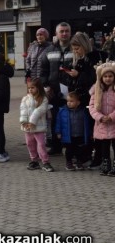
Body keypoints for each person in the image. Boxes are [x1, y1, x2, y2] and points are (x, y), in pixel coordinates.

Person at [40, 22, 74, 156]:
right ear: (56, 34)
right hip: (53, 91)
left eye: (67, 31)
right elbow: (43, 71)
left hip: (72, 92)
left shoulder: (75, 48)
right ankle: (56, 146)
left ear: (70, 32)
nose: (64, 33)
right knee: (54, 119)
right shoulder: (48, 50)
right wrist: (46, 86)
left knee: (71, 118)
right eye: (62, 31)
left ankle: (71, 146)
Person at [20, 78, 53, 172]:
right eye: (29, 88)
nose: (30, 89)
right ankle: (34, 160)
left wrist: (32, 122)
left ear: (38, 88)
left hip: (39, 127)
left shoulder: (43, 99)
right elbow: (23, 111)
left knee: (41, 144)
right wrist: (24, 122)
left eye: (33, 87)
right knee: (30, 144)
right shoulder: (25, 98)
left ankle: (45, 162)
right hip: (28, 128)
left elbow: (39, 111)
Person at [89, 63, 115, 176]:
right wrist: (100, 117)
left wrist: (112, 116)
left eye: (110, 76)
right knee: (104, 146)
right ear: (101, 78)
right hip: (102, 124)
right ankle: (105, 163)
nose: (108, 78)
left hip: (113, 123)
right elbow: (91, 107)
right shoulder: (97, 91)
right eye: (105, 76)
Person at [56, 91, 92, 171]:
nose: (69, 103)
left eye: (71, 101)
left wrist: (89, 133)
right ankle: (69, 163)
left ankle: (79, 162)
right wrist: (58, 132)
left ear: (78, 102)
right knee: (69, 150)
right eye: (68, 101)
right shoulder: (62, 111)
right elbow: (59, 122)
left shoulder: (83, 111)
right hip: (68, 135)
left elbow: (86, 124)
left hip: (80, 134)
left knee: (80, 150)